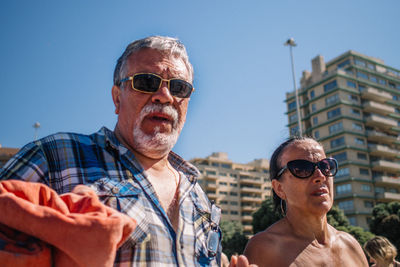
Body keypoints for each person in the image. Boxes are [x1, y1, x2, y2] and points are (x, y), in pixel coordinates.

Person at [0, 36, 221, 266]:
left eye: (179, 87)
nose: (164, 96)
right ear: (117, 98)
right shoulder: (54, 156)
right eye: (146, 82)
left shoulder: (199, 198)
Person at [231, 136, 369, 267]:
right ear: (279, 188)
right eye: (302, 169)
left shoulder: (351, 246)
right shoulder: (266, 248)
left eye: (325, 166)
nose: (320, 176)